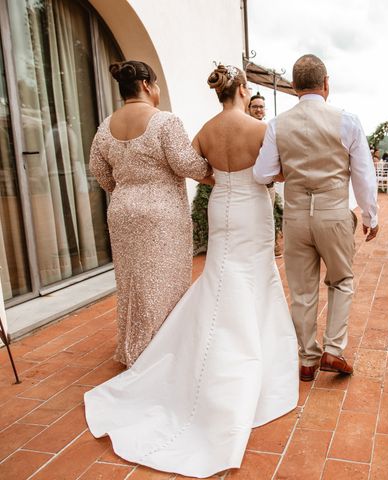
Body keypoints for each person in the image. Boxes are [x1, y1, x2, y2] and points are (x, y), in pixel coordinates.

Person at [84, 64, 298, 477]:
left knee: (216, 277)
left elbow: (195, 165)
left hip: (207, 210)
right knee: (254, 275)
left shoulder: (200, 129)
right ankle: (250, 352)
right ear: (242, 89)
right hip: (250, 208)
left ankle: (149, 346)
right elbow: (273, 172)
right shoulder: (259, 129)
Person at [254, 54, 379, 382]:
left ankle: (307, 359)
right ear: (326, 84)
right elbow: (363, 174)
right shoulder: (346, 120)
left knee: (302, 289)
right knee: (341, 280)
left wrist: (289, 171)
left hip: (296, 218)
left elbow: (262, 172)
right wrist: (370, 215)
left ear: (294, 87)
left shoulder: (278, 125)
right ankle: (333, 351)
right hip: (334, 214)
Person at [89, 60, 213, 367]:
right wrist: (213, 172)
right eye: (156, 85)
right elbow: (187, 165)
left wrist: (124, 189)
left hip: (122, 209)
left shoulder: (105, 126)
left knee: (131, 281)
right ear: (147, 85)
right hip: (162, 211)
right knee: (164, 280)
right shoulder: (165, 121)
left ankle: (134, 345)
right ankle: (161, 348)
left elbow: (98, 170)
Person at [248, 92, 283, 258]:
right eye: (255, 106)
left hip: (268, 185)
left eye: (261, 107)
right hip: (248, 182)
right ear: (248, 109)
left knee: (268, 216)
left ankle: (271, 244)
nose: (258, 110)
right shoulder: (245, 129)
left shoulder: (270, 129)